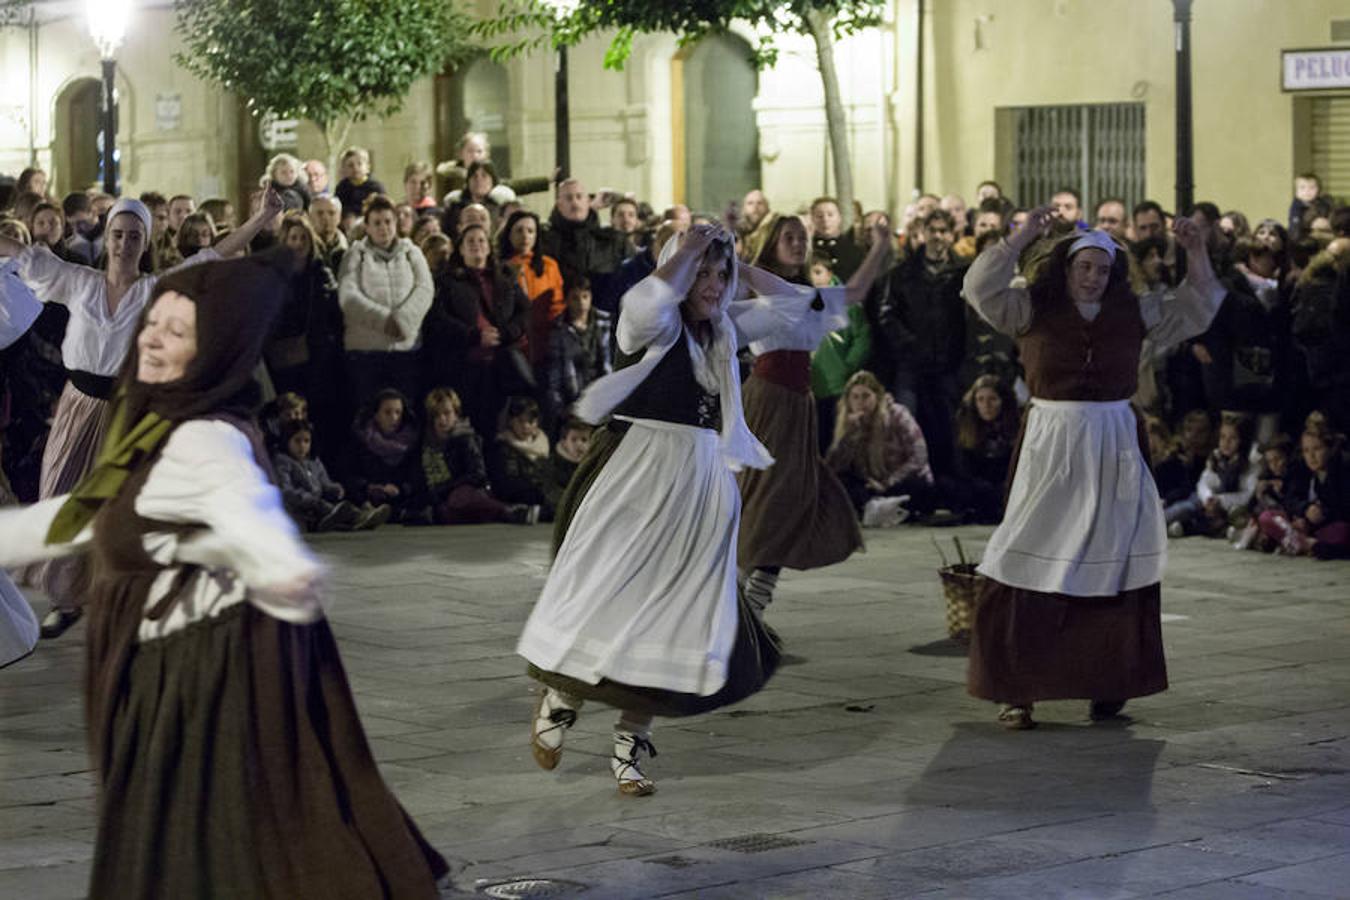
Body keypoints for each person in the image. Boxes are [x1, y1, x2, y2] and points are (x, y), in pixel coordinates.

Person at [0, 250, 449, 898]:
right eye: (154, 323)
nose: (151, 336)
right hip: (158, 674)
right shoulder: (145, 425)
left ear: (212, 353)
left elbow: (253, 516)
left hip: (202, 678)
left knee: (209, 845)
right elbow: (74, 518)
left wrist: (270, 560)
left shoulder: (206, 438)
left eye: (175, 332)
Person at [517, 224, 815, 796]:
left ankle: (630, 745)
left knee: (678, 615)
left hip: (701, 483)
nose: (712, 284)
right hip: (638, 474)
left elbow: (798, 306)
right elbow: (644, 300)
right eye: (701, 273)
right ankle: (560, 700)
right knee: (608, 595)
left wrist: (738, 264)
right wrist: (687, 254)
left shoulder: (728, 327)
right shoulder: (654, 325)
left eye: (718, 274)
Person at [961, 204, 1224, 729]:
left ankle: (1109, 682)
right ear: (1066, 267)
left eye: (1102, 270)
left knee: (1113, 558)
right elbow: (978, 288)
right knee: (1020, 556)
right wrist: (1020, 237)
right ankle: (1016, 688)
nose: (1093, 278)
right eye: (1084, 267)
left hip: (1113, 444)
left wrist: (1196, 250)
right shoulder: (1031, 306)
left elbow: (1199, 306)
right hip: (1051, 444)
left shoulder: (1135, 310)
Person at [0, 190, 281, 638]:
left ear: (144, 242)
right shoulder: (80, 281)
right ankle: (69, 598)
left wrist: (260, 218)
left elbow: (211, 256)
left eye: (133, 236)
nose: (123, 243)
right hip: (79, 406)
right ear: (106, 236)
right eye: (117, 234)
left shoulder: (156, 289)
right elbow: (27, 255)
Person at [737, 214, 893, 615]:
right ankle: (747, 601)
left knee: (783, 495)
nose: (797, 243)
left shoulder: (810, 294)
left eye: (802, 237)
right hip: (769, 399)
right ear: (772, 243)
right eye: (788, 237)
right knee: (769, 495)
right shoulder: (763, 288)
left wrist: (879, 243)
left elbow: (856, 290)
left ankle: (748, 598)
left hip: (797, 402)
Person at [873, 208, 969, 478]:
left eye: (943, 231)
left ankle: (950, 484)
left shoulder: (963, 272)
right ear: (922, 233)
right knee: (909, 425)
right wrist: (910, 345)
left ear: (952, 235)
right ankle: (915, 486)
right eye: (932, 230)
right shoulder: (902, 273)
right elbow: (887, 315)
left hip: (950, 363)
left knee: (950, 426)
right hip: (911, 365)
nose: (937, 236)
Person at [422, 222, 530, 438]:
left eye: (481, 240)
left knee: (494, 431)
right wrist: (473, 335)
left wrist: (506, 333)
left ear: (489, 248)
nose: (476, 245)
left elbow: (525, 311)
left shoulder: (505, 278)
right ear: (460, 249)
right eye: (469, 241)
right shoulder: (446, 281)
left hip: (498, 369)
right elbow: (438, 319)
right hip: (463, 367)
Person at [337, 194, 433, 410]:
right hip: (366, 354)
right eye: (377, 223)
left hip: (405, 351)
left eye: (388, 221)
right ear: (367, 227)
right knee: (368, 412)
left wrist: (403, 321)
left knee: (405, 413)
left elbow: (425, 289)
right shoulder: (355, 255)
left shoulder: (412, 253)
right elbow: (348, 296)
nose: (384, 228)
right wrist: (384, 321)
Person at [408, 387, 537, 526]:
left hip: (469, 492)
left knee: (457, 498)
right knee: (445, 511)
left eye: (447, 413)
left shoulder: (465, 438)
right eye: (436, 415)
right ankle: (507, 514)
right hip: (440, 498)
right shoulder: (424, 442)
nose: (442, 419)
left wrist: (444, 489)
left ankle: (507, 510)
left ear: (456, 414)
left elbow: (477, 475)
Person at [825, 369, 934, 527]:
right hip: (871, 485)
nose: (860, 402)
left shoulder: (897, 414)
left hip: (898, 480)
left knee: (919, 485)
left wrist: (887, 482)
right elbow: (833, 466)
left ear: (877, 396)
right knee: (841, 482)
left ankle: (879, 508)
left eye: (866, 396)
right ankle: (875, 507)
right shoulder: (848, 421)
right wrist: (848, 434)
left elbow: (919, 456)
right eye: (855, 397)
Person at [1256, 415, 1349, 559]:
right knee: (1267, 517)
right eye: (1306, 451)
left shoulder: (1341, 471)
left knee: (1343, 532)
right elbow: (1290, 499)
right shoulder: (1301, 470)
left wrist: (1316, 519)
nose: (1311, 456)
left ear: (1330, 449)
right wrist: (1304, 509)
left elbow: (1343, 509)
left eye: (1317, 449)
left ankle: (1302, 543)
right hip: (1301, 526)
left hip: (1326, 526)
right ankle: (1300, 542)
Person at [274, 418, 387, 532]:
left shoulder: (313, 462)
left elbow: (324, 482)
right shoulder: (283, 462)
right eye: (297, 441)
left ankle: (358, 518)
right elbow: (285, 490)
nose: (302, 446)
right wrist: (310, 499)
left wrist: (335, 489)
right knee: (327, 509)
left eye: (306, 441)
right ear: (287, 441)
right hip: (299, 508)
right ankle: (356, 517)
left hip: (317, 504)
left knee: (339, 500)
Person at [499, 209, 565, 370]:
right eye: (519, 230)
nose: (525, 236)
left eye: (530, 231)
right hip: (513, 342)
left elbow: (557, 305)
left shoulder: (549, 265)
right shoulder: (500, 268)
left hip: (545, 341)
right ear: (509, 234)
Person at [543, 278, 612, 430]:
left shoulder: (605, 322)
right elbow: (554, 376)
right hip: (575, 399)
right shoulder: (559, 330)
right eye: (575, 298)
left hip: (604, 395)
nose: (581, 303)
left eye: (585, 296)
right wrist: (561, 410)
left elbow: (611, 363)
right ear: (566, 300)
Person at [952, 374, 1020, 524]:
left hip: (1006, 486)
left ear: (1003, 401)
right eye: (980, 400)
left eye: (992, 399)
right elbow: (963, 467)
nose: (986, 405)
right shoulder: (967, 424)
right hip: (977, 486)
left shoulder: (1016, 427)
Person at [347, 388, 419, 522]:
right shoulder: (362, 439)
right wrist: (368, 487)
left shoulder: (411, 442)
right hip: (365, 498)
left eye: (398, 412)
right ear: (376, 414)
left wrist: (400, 490)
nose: (394, 418)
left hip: (400, 501)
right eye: (387, 412)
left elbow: (416, 478)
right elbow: (348, 474)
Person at [488, 395, 557, 520]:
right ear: (511, 421)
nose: (525, 426)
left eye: (530, 422)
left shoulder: (542, 444)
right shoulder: (504, 447)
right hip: (518, 494)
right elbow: (508, 482)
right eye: (520, 421)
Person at [334, 147, 387, 231]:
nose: (355, 168)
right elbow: (338, 207)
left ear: (368, 167)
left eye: (359, 164)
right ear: (344, 169)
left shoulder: (375, 187)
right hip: (348, 222)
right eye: (350, 165)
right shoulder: (342, 187)